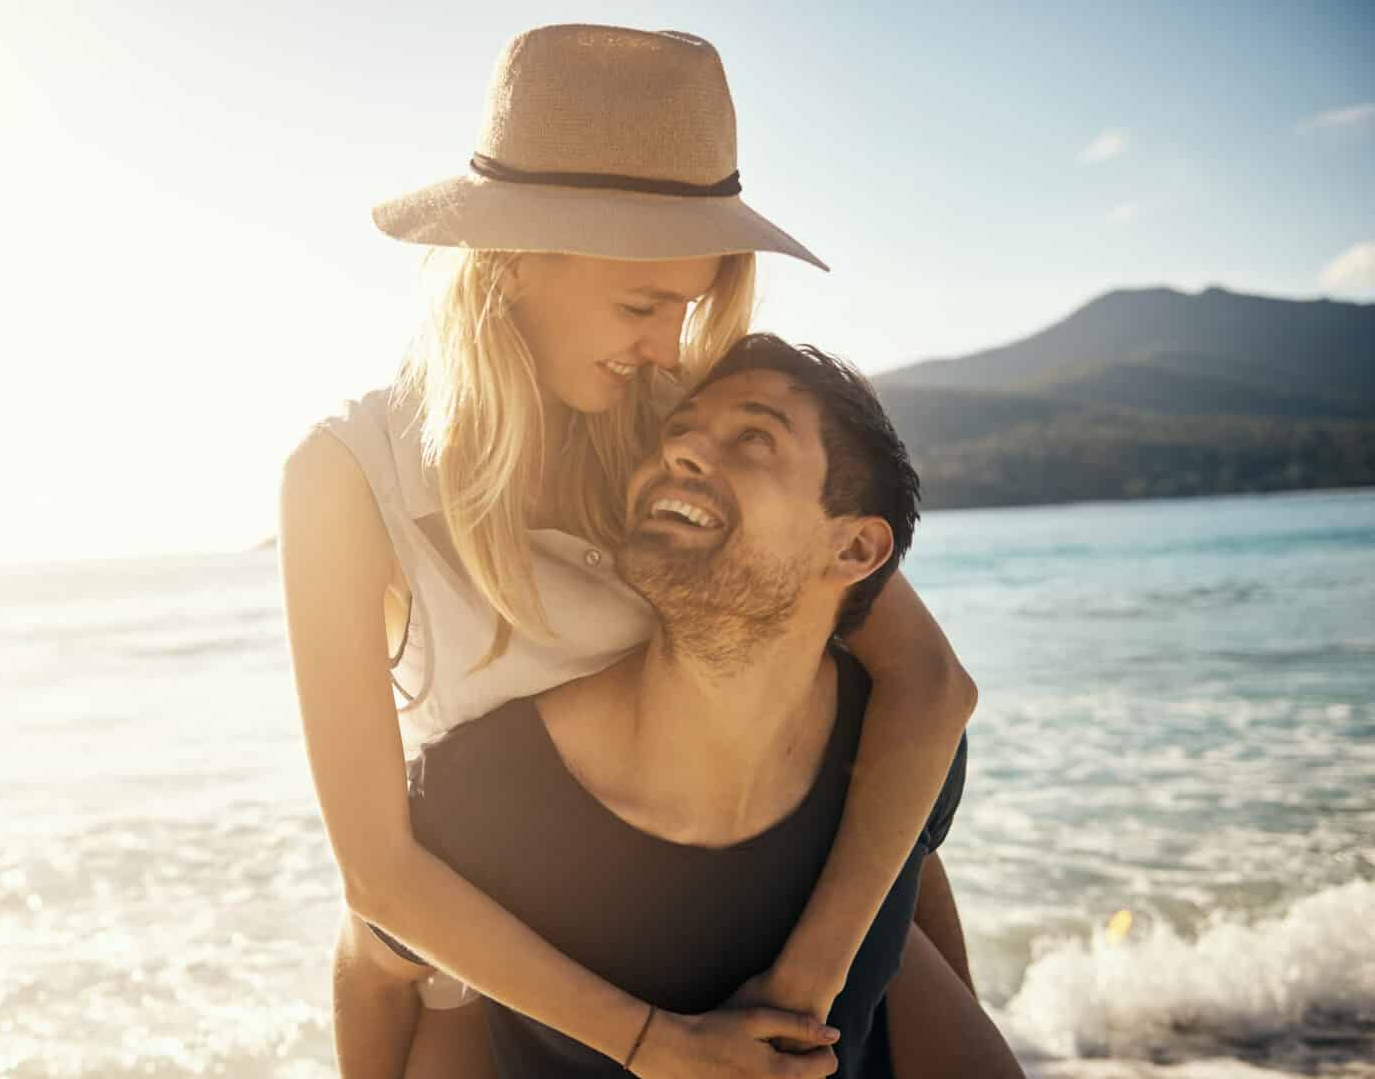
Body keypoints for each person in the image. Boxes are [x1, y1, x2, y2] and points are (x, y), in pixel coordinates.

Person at [278, 24, 977, 1076]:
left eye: (688, 307)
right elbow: (377, 877)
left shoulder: (681, 438)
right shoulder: (350, 478)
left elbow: (922, 685)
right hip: (513, 967)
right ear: (511, 262)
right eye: (643, 305)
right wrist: (653, 1047)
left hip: (779, 918)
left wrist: (809, 979)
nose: (669, 346)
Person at [349, 335, 1024, 1078]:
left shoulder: (891, 756)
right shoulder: (487, 800)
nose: (682, 454)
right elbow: (376, 975)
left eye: (753, 439)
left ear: (855, 551)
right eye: (676, 434)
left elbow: (907, 919)